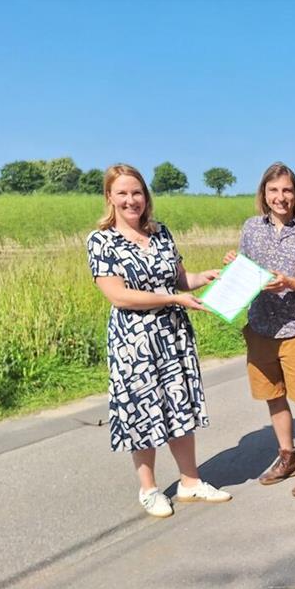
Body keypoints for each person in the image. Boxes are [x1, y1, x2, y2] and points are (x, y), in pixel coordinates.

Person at [86, 164, 231, 518]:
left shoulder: (161, 233)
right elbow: (119, 296)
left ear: (145, 196)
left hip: (172, 336)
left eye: (136, 192)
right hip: (134, 341)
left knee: (178, 404)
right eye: (122, 193)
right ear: (109, 197)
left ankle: (190, 482)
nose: (131, 200)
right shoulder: (100, 240)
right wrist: (172, 299)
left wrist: (208, 276)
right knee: (143, 410)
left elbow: (181, 279)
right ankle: (149, 489)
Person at [224, 162, 295, 497]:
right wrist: (234, 267)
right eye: (273, 191)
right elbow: (244, 272)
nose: (280, 197)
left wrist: (290, 282)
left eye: (286, 190)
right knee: (273, 396)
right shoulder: (251, 228)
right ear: (264, 194)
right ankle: (287, 456)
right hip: (260, 325)